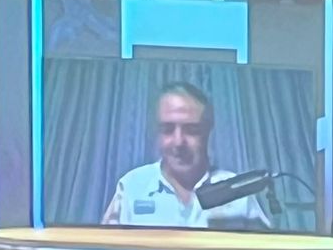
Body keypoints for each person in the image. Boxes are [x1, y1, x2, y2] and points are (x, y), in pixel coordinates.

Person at [100, 82, 271, 229]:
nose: (178, 142)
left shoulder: (238, 192)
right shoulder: (132, 187)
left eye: (191, 130)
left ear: (208, 131)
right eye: (167, 129)